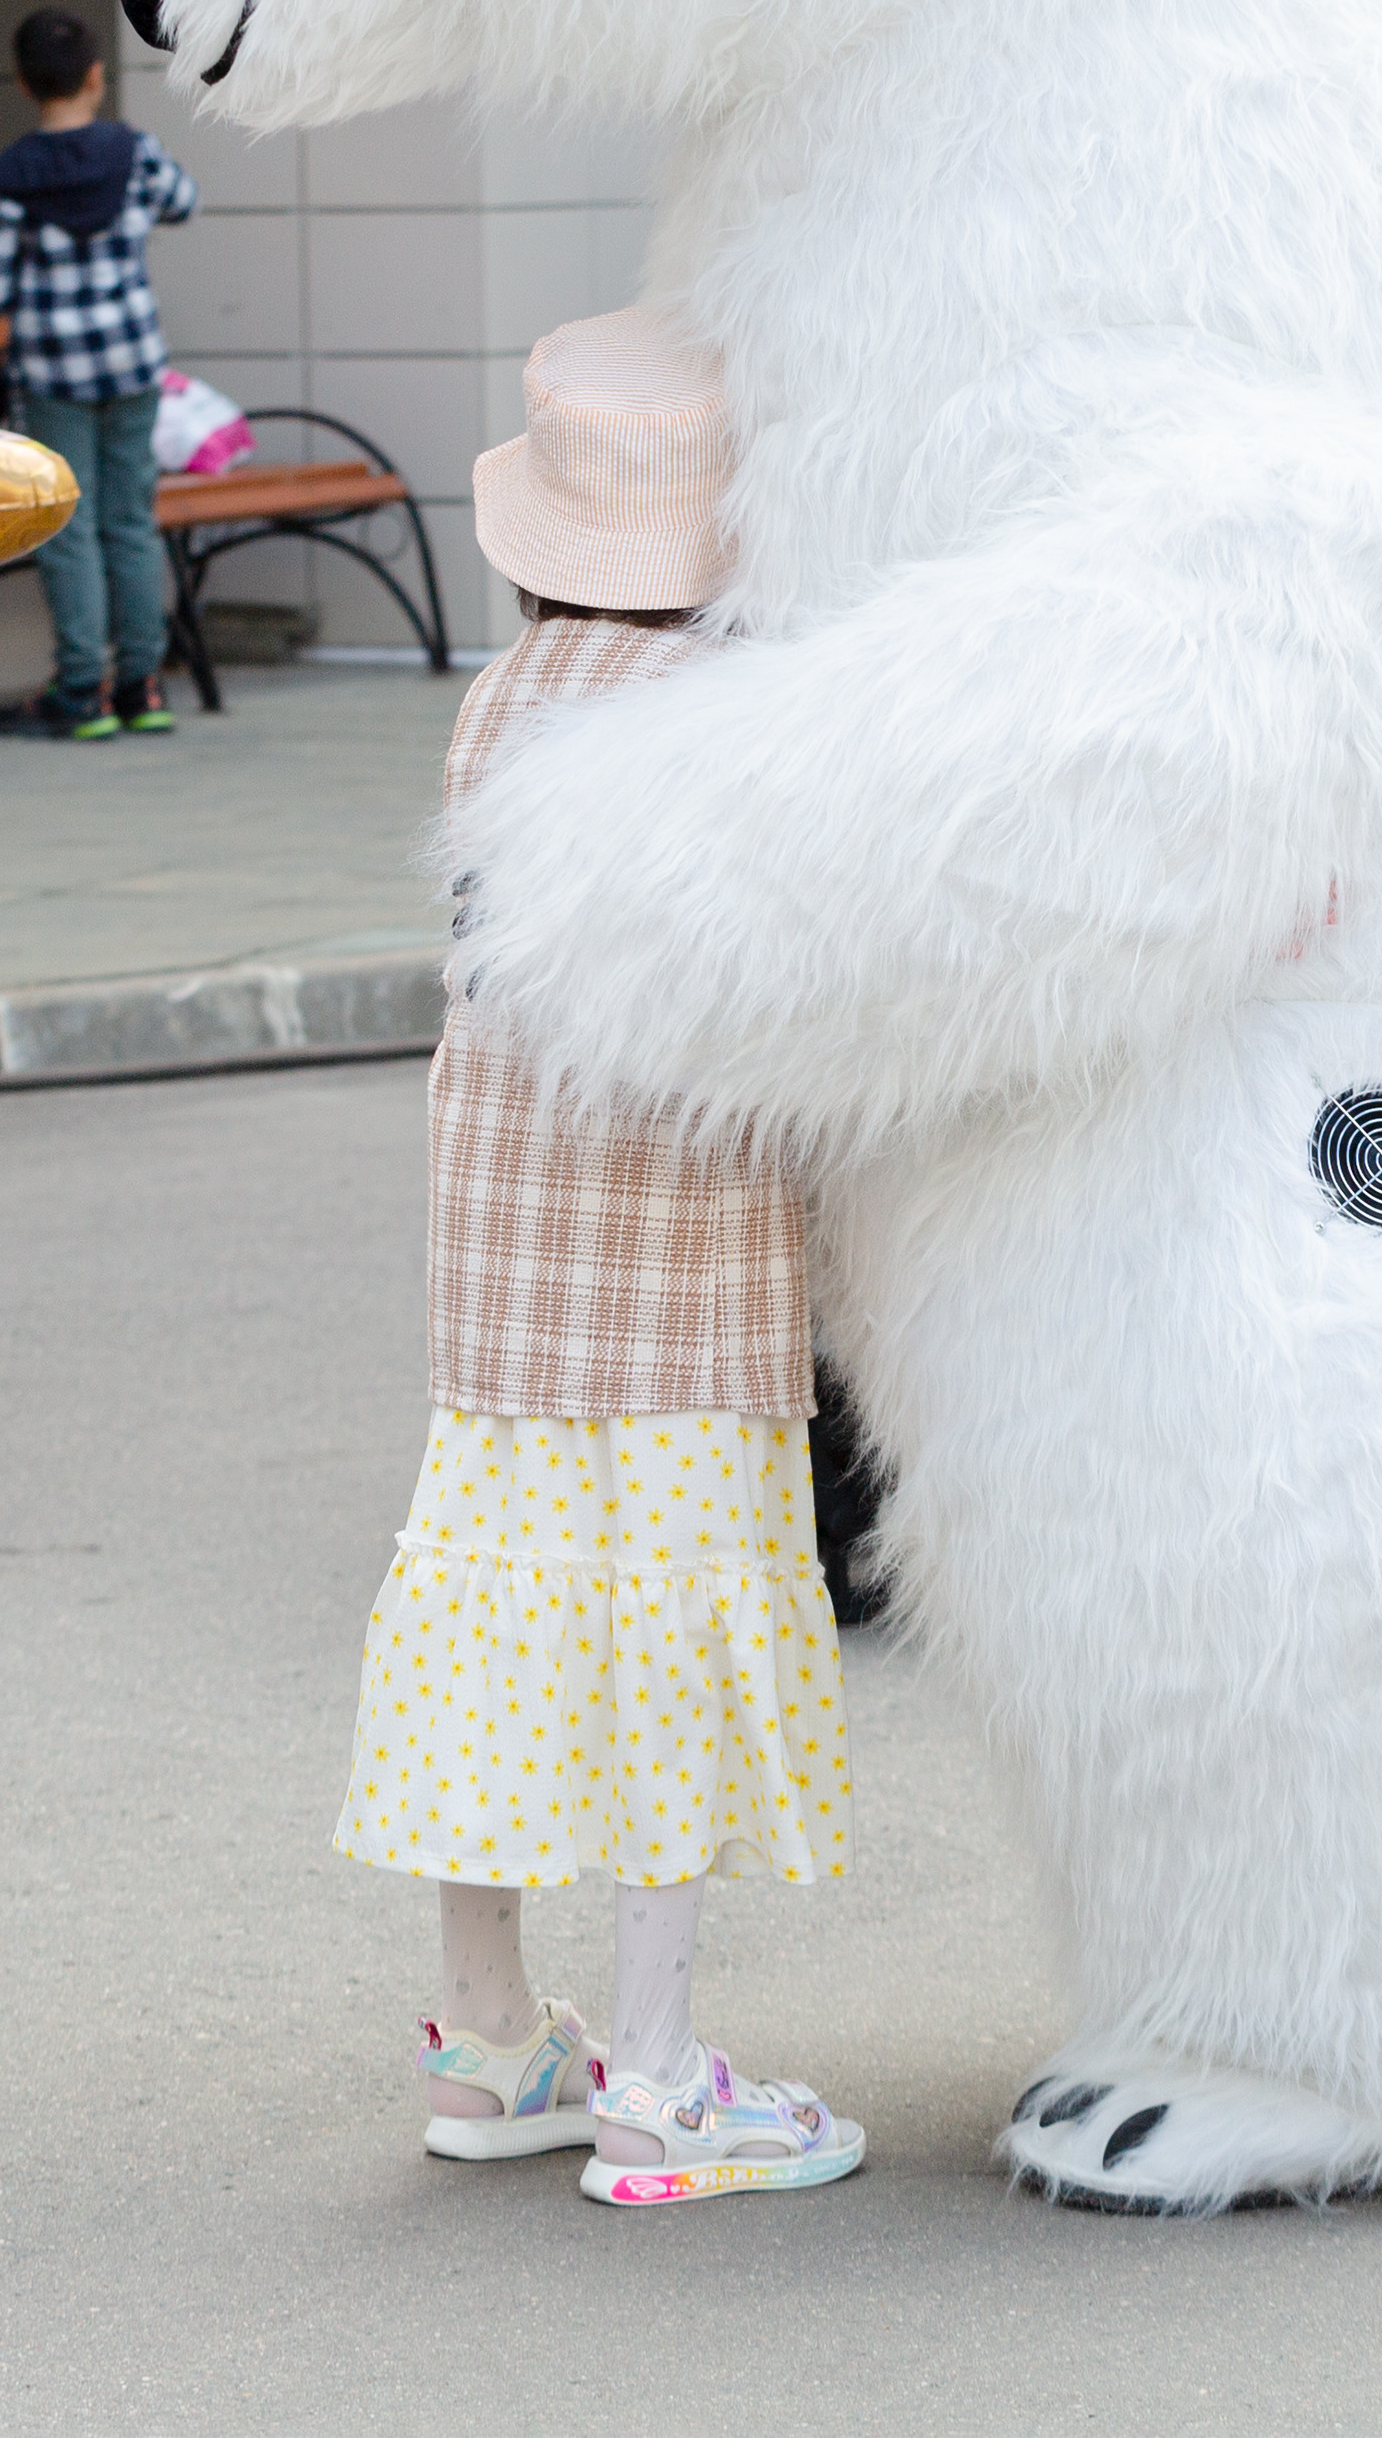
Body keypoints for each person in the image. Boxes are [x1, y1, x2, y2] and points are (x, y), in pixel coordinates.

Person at [333, 306, 862, 2207]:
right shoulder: (735, 718)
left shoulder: (501, 700)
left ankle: (489, 2048)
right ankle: (655, 2079)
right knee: (672, 1645)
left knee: (489, 1623)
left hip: (496, 1266)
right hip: (684, 1265)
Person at [0, 8, 196, 741]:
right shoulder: (135, 151)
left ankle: (80, 690)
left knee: (69, 528)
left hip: (54, 369)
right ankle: (143, 685)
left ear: (23, 83)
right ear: (96, 76)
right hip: (131, 360)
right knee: (131, 520)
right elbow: (182, 203)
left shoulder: (6, 178)